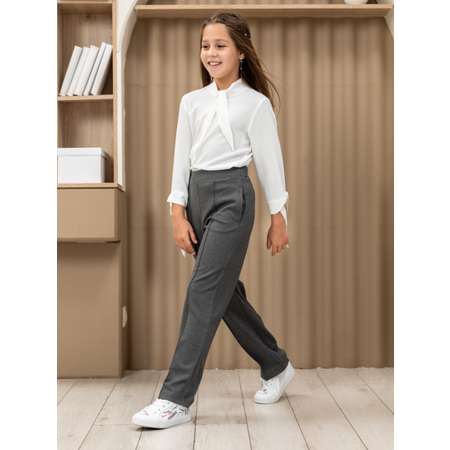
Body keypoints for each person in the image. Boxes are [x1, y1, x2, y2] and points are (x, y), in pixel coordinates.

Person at [132, 11, 295, 430]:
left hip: (232, 197)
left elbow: (270, 162)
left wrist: (279, 216)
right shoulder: (192, 101)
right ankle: (276, 364)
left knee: (203, 291)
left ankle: (175, 398)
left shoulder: (256, 104)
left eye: (220, 45)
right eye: (206, 46)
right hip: (196, 197)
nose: (211, 53)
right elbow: (180, 159)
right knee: (224, 293)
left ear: (241, 52)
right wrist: (176, 211)